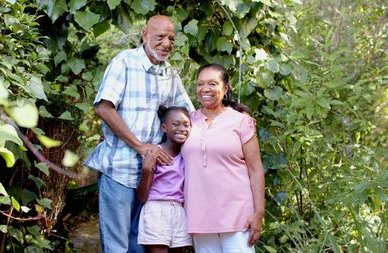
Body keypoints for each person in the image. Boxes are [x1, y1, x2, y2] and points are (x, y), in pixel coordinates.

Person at [83, 15, 194, 253]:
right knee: (117, 246)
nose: (167, 43)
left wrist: (230, 119)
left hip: (152, 176)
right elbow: (103, 107)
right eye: (161, 36)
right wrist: (140, 146)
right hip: (119, 169)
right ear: (145, 34)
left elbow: (190, 114)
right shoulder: (124, 62)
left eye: (172, 38)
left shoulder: (170, 74)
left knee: (139, 245)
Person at [181, 64, 265, 252]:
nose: (205, 89)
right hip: (199, 217)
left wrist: (258, 212)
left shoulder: (241, 121)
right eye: (200, 84)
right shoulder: (188, 121)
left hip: (238, 217)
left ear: (225, 88)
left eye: (213, 83)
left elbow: (256, 170)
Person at [136, 106, 192, 253]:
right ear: (164, 127)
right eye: (176, 124)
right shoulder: (154, 153)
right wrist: (147, 169)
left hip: (179, 212)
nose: (182, 128)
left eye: (186, 124)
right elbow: (142, 197)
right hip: (156, 210)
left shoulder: (187, 153)